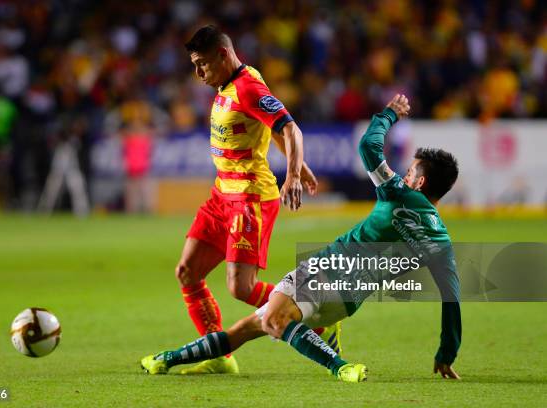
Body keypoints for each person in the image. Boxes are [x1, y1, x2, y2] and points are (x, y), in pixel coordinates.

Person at [141, 94, 462, 382]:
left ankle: (341, 367)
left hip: (326, 270)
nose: (404, 175)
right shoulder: (441, 243)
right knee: (247, 328)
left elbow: (368, 146)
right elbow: (452, 297)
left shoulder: (397, 193)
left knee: (272, 321)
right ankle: (166, 360)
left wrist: (389, 114)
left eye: (410, 172)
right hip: (349, 303)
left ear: (419, 182)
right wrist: (446, 352)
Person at [173, 25, 319, 374]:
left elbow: (289, 127)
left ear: (223, 55)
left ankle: (316, 319)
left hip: (250, 198)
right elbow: (270, 128)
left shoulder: (248, 87)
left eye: (203, 64)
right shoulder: (226, 83)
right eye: (194, 65)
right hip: (222, 193)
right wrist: (301, 164)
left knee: (241, 288)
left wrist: (295, 174)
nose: (198, 73)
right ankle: (219, 357)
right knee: (187, 272)